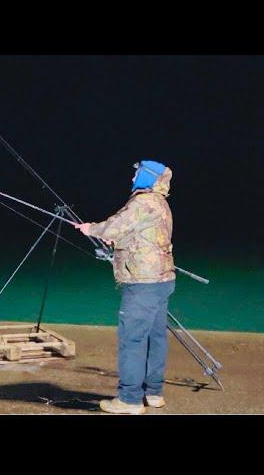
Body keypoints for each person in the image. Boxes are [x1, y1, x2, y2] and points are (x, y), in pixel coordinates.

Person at [75, 160, 176, 415]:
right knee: (155, 338)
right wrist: (115, 236)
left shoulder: (143, 202)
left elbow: (115, 225)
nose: (132, 179)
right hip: (162, 280)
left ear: (148, 177)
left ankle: (129, 399)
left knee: (132, 339)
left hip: (142, 283)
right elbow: (139, 232)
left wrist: (91, 229)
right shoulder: (159, 202)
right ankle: (153, 393)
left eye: (137, 174)